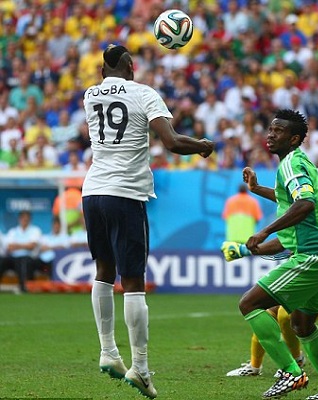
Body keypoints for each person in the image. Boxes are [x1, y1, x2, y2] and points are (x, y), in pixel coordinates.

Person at [82, 44, 214, 399]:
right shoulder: (144, 93)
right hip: (125, 193)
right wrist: (202, 145)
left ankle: (108, 351)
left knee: (103, 270)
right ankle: (139, 367)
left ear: (101, 70)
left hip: (92, 191)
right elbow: (171, 142)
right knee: (134, 280)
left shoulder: (90, 95)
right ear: (130, 65)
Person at [233, 109, 318, 400]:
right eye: (270, 130)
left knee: (249, 304)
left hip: (312, 255)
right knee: (301, 324)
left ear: (294, 138)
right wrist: (257, 188)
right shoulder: (296, 163)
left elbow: (306, 204)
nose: (270, 135)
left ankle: (290, 372)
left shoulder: (291, 164)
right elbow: (293, 197)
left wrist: (264, 231)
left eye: (278, 131)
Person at [222, 199, 318, 378]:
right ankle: (255, 366)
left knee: (288, 318)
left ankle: (299, 364)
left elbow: (283, 243)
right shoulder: (306, 204)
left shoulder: (312, 209)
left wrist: (244, 250)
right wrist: (257, 188)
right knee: (265, 312)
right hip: (312, 271)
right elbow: (288, 235)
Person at [2, 210, 42, 293]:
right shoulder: (12, 231)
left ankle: (24, 286)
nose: (25, 221)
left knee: (24, 261)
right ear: (19, 219)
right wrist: (24, 245)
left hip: (29, 258)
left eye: (27, 219)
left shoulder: (35, 230)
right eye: (23, 218)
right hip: (14, 258)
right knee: (2, 261)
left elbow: (31, 246)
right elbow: (9, 247)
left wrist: (16, 245)